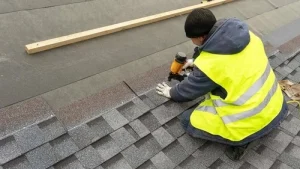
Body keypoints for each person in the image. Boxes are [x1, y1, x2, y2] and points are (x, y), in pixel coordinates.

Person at [156, 8, 288, 161]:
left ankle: (240, 140)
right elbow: (232, 64)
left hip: (250, 119)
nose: (192, 42)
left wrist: (170, 92)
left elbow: (187, 92)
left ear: (200, 37)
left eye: (192, 38)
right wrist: (197, 63)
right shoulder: (248, 37)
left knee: (187, 120)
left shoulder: (212, 66)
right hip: (274, 106)